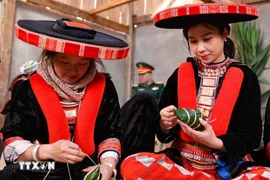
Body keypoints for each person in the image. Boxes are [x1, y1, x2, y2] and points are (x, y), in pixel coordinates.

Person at [121, 3, 270, 180]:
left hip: (228, 166)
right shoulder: (181, 73)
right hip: (181, 161)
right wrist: (164, 123)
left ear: (224, 33)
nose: (200, 48)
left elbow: (251, 135)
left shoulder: (246, 76)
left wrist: (215, 142)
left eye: (207, 39)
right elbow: (163, 131)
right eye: (193, 41)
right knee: (131, 164)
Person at [0, 18, 129, 180]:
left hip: (90, 165)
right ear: (50, 57)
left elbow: (111, 133)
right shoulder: (28, 88)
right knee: (10, 173)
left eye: (82, 63)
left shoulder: (105, 88)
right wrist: (49, 151)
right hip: (47, 163)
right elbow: (12, 140)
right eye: (64, 61)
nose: (73, 70)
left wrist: (108, 165)